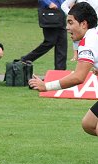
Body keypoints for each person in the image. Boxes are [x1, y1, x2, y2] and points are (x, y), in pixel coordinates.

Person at [29, 2, 98, 137]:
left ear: (83, 24)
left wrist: (46, 86)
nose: (67, 27)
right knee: (89, 124)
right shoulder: (94, 34)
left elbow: (78, 77)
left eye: (71, 23)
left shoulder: (88, 43)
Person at [21, 0, 67, 70]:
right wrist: (49, 3)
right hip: (50, 12)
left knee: (62, 44)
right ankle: (25, 59)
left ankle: (59, 72)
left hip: (62, 14)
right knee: (50, 42)